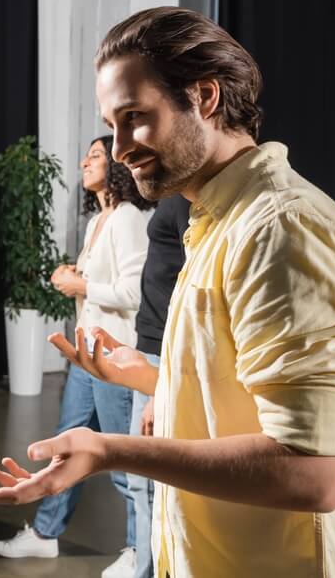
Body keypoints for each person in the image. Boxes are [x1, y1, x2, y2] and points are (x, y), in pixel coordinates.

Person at [0, 7, 335, 578]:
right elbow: (249, 401)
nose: (120, 146)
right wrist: (151, 378)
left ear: (204, 97)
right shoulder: (219, 223)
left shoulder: (279, 229)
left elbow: (313, 471)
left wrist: (110, 451)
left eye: (135, 117)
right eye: (112, 124)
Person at [0, 136, 155, 578]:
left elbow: (134, 293)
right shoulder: (98, 221)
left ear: (117, 166)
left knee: (122, 459)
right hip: (86, 358)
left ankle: (139, 553)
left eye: (96, 155)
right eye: (86, 156)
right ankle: (45, 536)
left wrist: (81, 286)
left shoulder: (126, 217)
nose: (85, 162)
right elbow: (101, 283)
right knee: (65, 447)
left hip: (114, 359)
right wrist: (75, 276)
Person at [125, 193, 189, 578]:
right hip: (150, 349)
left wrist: (161, 387)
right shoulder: (175, 196)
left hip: (162, 355)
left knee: (147, 482)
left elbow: (191, 290)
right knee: (141, 482)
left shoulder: (187, 198)